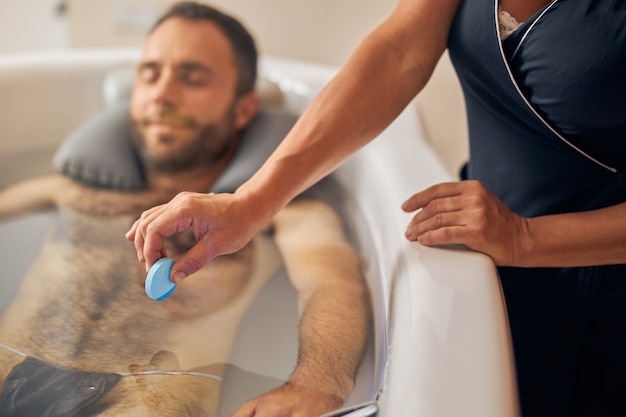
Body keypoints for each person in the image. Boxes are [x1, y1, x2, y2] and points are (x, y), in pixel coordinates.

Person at [126, 1, 626, 417]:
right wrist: (253, 200)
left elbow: (332, 283)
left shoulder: (309, 222)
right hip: (487, 243)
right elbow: (400, 50)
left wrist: (526, 239)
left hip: (602, 294)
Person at [0, 2, 370, 416]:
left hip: (145, 396)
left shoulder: (280, 213)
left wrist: (315, 385)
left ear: (243, 109)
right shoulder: (71, 190)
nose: (162, 93)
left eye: (192, 78)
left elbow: (333, 285)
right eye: (150, 73)